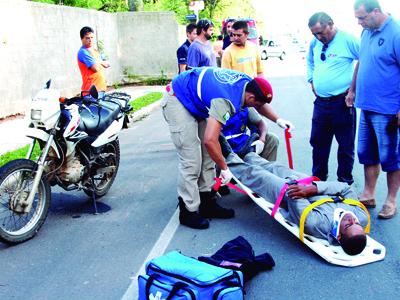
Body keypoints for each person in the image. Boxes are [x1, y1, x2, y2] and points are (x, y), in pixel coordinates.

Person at [162, 67, 282, 230]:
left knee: (207, 158)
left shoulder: (249, 83)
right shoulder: (226, 100)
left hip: (197, 101)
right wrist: (225, 169)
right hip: (179, 98)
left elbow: (260, 104)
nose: (257, 107)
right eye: (257, 103)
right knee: (192, 160)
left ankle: (207, 202)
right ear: (251, 97)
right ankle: (188, 211)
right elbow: (210, 140)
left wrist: (278, 119)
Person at [219, 136, 368, 255]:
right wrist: (314, 188)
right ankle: (248, 154)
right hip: (312, 189)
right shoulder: (361, 216)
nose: (352, 219)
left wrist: (303, 189)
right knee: (276, 167)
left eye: (348, 225)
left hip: (290, 196)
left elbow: (295, 197)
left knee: (259, 176)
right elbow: (345, 189)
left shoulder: (316, 224)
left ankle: (229, 157)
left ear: (339, 237)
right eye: (356, 223)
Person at [347, 0, 400, 219]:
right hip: (366, 105)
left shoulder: (396, 32)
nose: (359, 23)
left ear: (376, 12)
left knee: (390, 157)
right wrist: (352, 90)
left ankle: (391, 200)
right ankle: (368, 194)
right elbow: (361, 62)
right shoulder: (366, 32)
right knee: (367, 154)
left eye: (362, 18)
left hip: (388, 109)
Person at [306, 12, 359, 185]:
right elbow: (310, 61)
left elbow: (364, 61)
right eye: (314, 33)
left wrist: (353, 90)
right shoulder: (315, 42)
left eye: (321, 32)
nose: (319, 37)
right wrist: (312, 80)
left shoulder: (348, 39)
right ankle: (318, 181)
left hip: (342, 102)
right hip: (321, 103)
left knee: (345, 146)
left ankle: (344, 184)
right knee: (318, 143)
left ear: (331, 23)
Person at [77, 26, 110, 98]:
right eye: (87, 38)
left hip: (100, 89)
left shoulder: (95, 50)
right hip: (91, 92)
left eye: (92, 37)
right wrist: (101, 62)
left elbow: (107, 64)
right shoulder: (83, 52)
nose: (90, 40)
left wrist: (97, 61)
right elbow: (95, 68)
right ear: (82, 39)